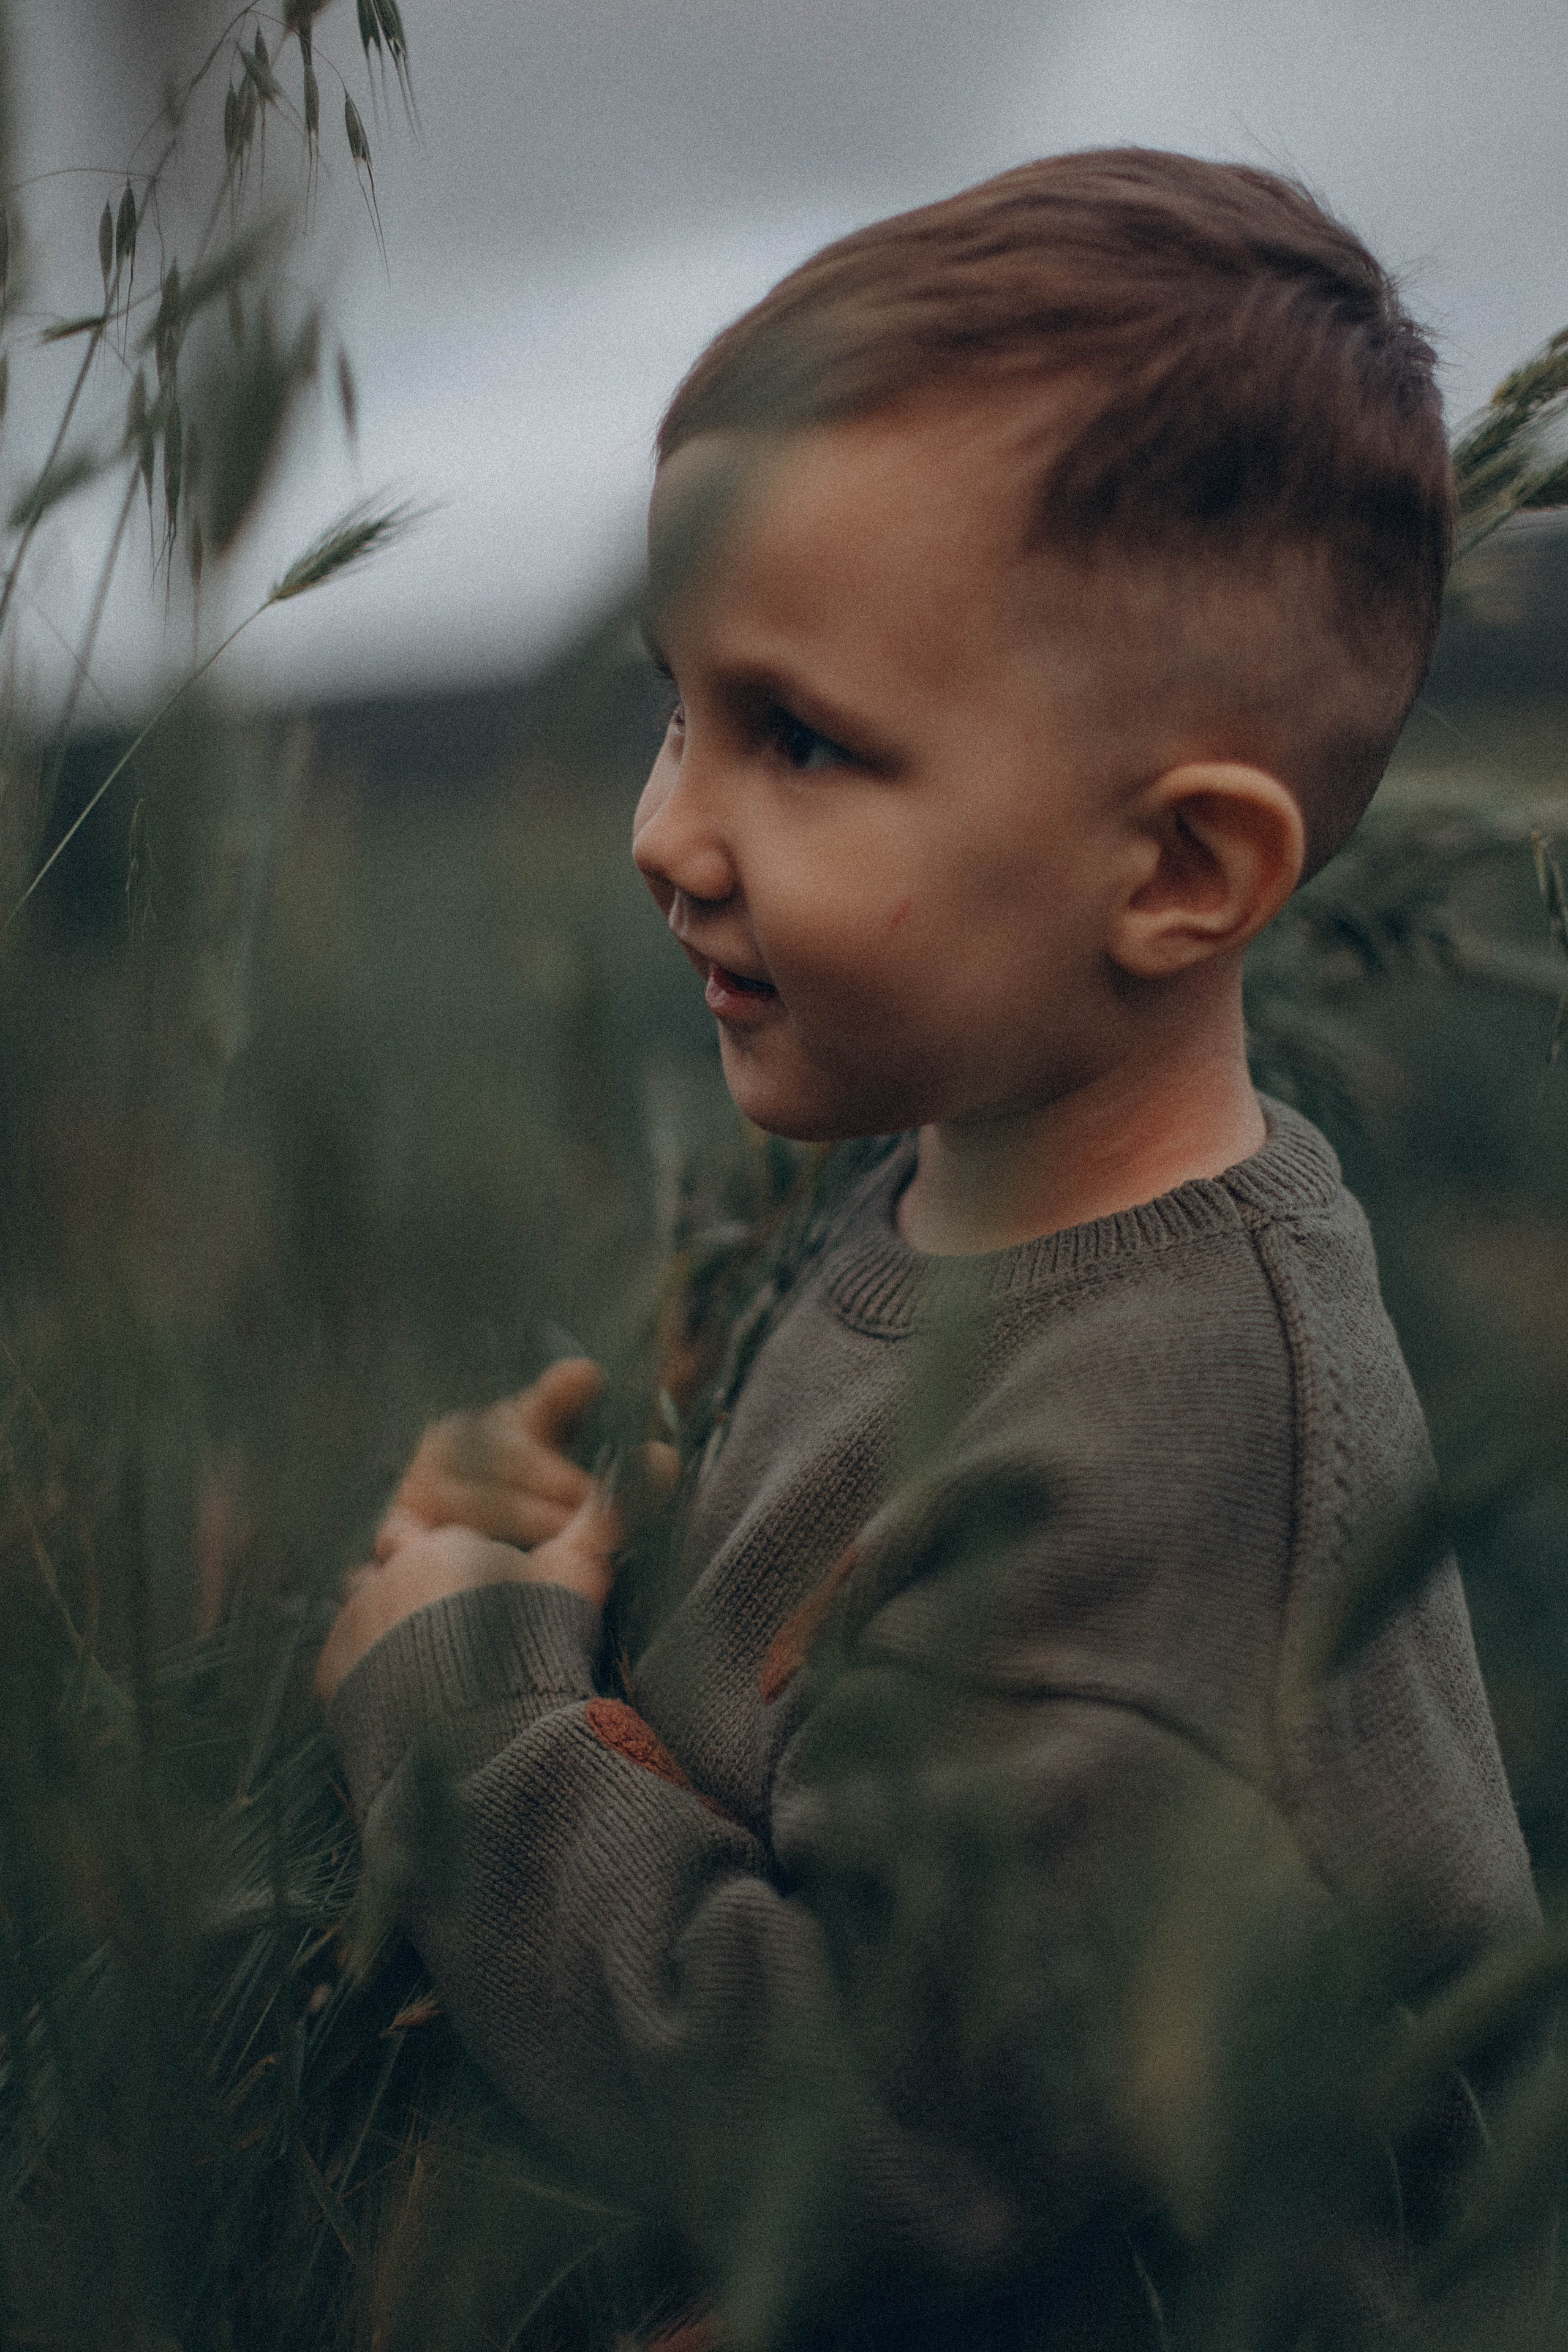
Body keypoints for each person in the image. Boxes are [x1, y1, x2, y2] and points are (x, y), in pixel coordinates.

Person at [317, 151, 1542, 2348]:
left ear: (1178, 869)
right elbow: (859, 1696)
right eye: (675, 705)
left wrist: (474, 1724)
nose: (665, 827)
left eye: (796, 738)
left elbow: (878, 2138)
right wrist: (598, 1581)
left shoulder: (1181, 1450)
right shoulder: (978, 1187)